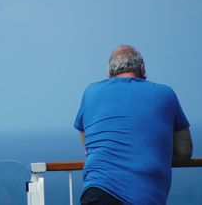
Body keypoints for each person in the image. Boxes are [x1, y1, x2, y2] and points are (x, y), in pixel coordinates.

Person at [74, 45, 193, 205]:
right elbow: (185, 150)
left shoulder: (91, 92)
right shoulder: (165, 94)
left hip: (96, 193)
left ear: (109, 73)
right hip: (143, 196)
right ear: (142, 69)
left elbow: (85, 139)